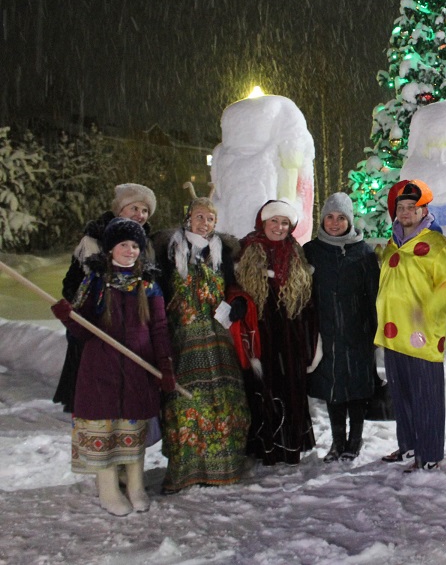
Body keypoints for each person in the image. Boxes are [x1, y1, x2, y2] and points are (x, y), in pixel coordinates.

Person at [50, 218, 175, 516]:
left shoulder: (149, 284)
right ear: (110, 249)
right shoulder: (94, 281)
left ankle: (135, 486)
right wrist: (68, 317)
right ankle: (107, 489)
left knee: (132, 428)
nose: (130, 251)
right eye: (123, 245)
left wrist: (165, 367)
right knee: (105, 429)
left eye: (135, 245)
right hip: (100, 369)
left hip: (137, 368)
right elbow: (81, 331)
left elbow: (158, 328)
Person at [155, 197, 250, 492]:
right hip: (184, 337)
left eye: (210, 218)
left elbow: (234, 286)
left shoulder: (222, 251)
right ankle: (187, 469)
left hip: (217, 336)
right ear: (187, 219)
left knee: (226, 401)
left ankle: (224, 467)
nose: (204, 223)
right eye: (199, 217)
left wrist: (237, 303)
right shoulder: (171, 249)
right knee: (186, 404)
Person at [375, 179, 446, 472]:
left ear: (424, 210)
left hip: (421, 335)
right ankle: (409, 446)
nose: (406, 212)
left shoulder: (436, 244)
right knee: (402, 396)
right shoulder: (392, 243)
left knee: (427, 396)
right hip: (392, 333)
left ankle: (430, 454)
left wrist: (427, 312)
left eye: (412, 207)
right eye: (401, 207)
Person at [55, 183, 158, 414]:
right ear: (119, 209)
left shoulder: (147, 244)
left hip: (131, 328)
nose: (139, 215)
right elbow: (72, 283)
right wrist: (85, 308)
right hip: (96, 327)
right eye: (134, 208)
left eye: (145, 211)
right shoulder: (93, 241)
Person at [232, 199, 318, 466]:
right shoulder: (245, 251)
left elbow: (307, 298)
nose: (279, 228)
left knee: (290, 385)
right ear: (263, 222)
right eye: (274, 221)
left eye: (284, 223)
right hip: (261, 330)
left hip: (290, 333)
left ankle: (289, 444)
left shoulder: (296, 253)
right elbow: (234, 289)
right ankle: (265, 446)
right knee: (263, 387)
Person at [303, 193, 380, 463]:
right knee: (334, 388)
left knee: (357, 389)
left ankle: (354, 442)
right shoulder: (311, 251)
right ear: (323, 219)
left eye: (341, 218)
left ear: (350, 220)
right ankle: (337, 443)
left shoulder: (364, 253)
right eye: (330, 217)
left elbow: (374, 297)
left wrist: (375, 333)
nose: (335, 223)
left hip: (358, 333)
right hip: (326, 333)